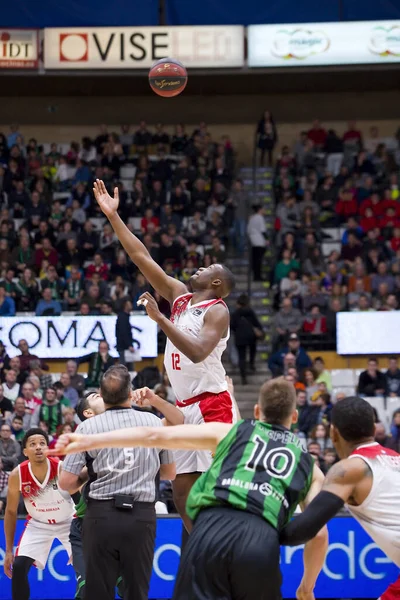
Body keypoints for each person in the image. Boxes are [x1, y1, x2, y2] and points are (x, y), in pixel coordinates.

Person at [51, 378, 328, 600]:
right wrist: (306, 587)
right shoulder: (309, 466)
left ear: (257, 412)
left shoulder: (232, 432)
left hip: (209, 532)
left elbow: (153, 435)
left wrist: (86, 441)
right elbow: (319, 533)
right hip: (260, 540)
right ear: (294, 416)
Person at [93, 178, 236, 534]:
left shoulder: (217, 311)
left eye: (209, 269)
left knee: (217, 489)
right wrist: (114, 217)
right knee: (182, 491)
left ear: (216, 283)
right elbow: (141, 257)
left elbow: (200, 353)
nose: (200, 268)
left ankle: (229, 548)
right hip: (185, 404)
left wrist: (159, 320)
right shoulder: (181, 296)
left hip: (211, 405)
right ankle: (204, 549)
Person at [58, 365, 175, 600]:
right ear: (130, 392)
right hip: (141, 516)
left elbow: (66, 483)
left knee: (98, 592)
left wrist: (87, 474)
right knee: (135, 592)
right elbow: (170, 472)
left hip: (100, 516)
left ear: (102, 393)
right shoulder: (152, 422)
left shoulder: (87, 427)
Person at [280, 396, 400, 600]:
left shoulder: (350, 470)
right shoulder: (395, 458)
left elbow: (305, 530)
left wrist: (256, 528)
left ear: (333, 432)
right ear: (373, 429)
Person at [4, 428, 75, 600]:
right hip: (38, 524)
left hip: (68, 521)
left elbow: (81, 498)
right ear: (25, 451)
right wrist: (8, 550)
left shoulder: (61, 468)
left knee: (87, 565)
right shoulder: (17, 475)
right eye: (33, 444)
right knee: (19, 566)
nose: (38, 447)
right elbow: (11, 511)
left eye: (42, 443)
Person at [230, 293, 263, 384]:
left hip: (239, 337)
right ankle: (252, 364)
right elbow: (257, 324)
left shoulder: (235, 313)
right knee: (252, 350)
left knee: (242, 357)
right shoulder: (250, 312)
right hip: (251, 336)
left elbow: (232, 326)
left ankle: (243, 377)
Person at [247, 205, 267, 281]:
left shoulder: (252, 218)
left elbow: (248, 230)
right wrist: (267, 239)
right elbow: (263, 230)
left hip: (253, 241)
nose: (265, 211)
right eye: (263, 209)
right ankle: (258, 276)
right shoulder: (260, 217)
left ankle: (256, 276)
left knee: (255, 260)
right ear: (260, 210)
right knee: (258, 260)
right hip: (259, 241)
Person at [115, 300, 135, 367]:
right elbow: (123, 332)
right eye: (129, 304)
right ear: (125, 306)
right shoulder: (122, 317)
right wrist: (129, 345)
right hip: (124, 347)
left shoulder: (125, 316)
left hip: (124, 347)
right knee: (125, 367)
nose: (131, 305)